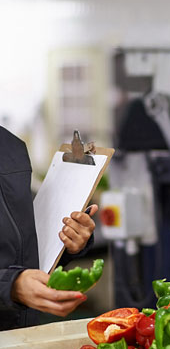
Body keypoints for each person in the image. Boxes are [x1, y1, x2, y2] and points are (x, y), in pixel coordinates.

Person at [0, 125, 98, 330]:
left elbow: (22, 245)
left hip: (21, 335)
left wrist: (69, 241)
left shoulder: (10, 146)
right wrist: (10, 286)